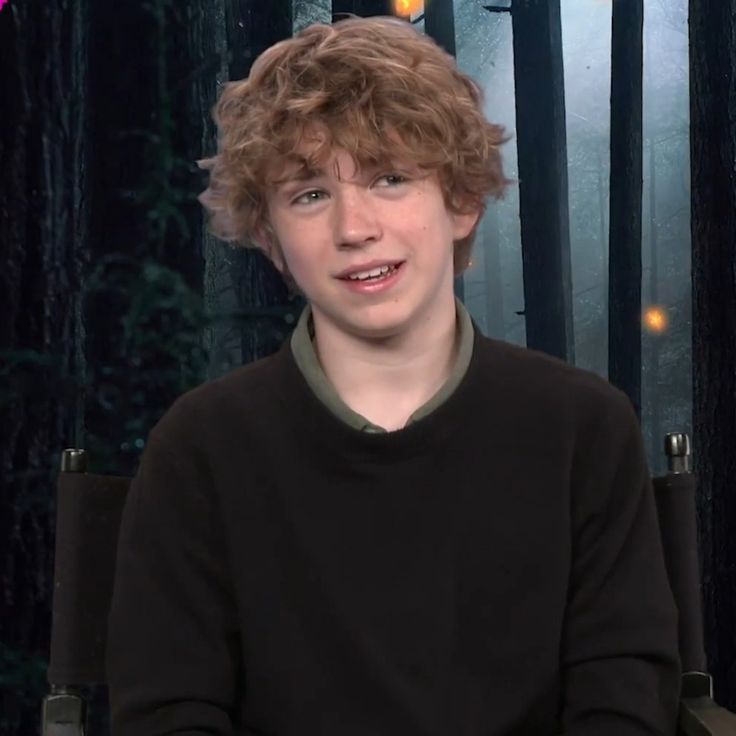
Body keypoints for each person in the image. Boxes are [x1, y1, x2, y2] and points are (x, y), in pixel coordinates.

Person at [106, 13, 681, 736]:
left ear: (462, 200)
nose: (355, 226)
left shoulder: (582, 428)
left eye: (390, 177)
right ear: (270, 239)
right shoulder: (201, 449)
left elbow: (623, 701)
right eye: (310, 194)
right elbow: (167, 713)